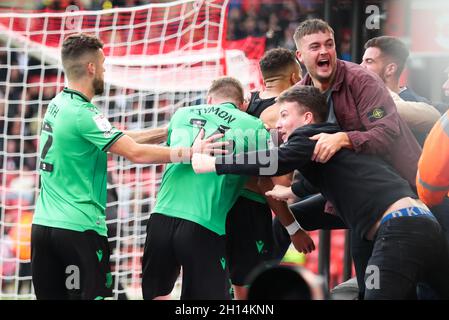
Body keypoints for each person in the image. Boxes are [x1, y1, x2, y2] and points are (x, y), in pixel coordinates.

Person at [192, 85, 449, 299]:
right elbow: (325, 179)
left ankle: (253, 287)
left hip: (398, 230)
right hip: (426, 225)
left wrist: (213, 164)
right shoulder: (332, 143)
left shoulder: (308, 136)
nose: (278, 124)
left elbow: (275, 160)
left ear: (307, 119)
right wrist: (292, 191)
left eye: (283, 115)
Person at [31, 33, 227, 300]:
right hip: (78, 229)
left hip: (43, 226)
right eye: (102, 63)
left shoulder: (58, 104)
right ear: (91, 68)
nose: (104, 69)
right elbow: (133, 153)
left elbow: (120, 138)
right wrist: (189, 152)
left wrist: (168, 131)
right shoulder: (84, 113)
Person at [271, 18, 422, 297]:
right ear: (299, 56)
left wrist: (344, 138)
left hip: (394, 194)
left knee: (382, 287)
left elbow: (386, 131)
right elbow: (294, 148)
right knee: (284, 222)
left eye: (329, 44)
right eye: (315, 46)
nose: (324, 52)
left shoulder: (361, 80)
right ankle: (256, 291)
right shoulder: (301, 96)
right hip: (347, 197)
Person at [141, 76, 315, 300]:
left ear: (209, 98)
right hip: (203, 225)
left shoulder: (181, 114)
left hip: (160, 219)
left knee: (156, 296)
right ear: (242, 103)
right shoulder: (254, 127)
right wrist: (293, 228)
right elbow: (269, 184)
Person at [225, 48, 303, 299]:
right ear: (294, 77)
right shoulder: (282, 115)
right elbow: (269, 186)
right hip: (249, 209)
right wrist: (293, 229)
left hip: (220, 202)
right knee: (250, 289)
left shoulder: (244, 104)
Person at [361, 36, 441, 146]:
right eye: (362, 61)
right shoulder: (363, 97)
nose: (361, 67)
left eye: (369, 61)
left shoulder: (414, 105)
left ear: (390, 69)